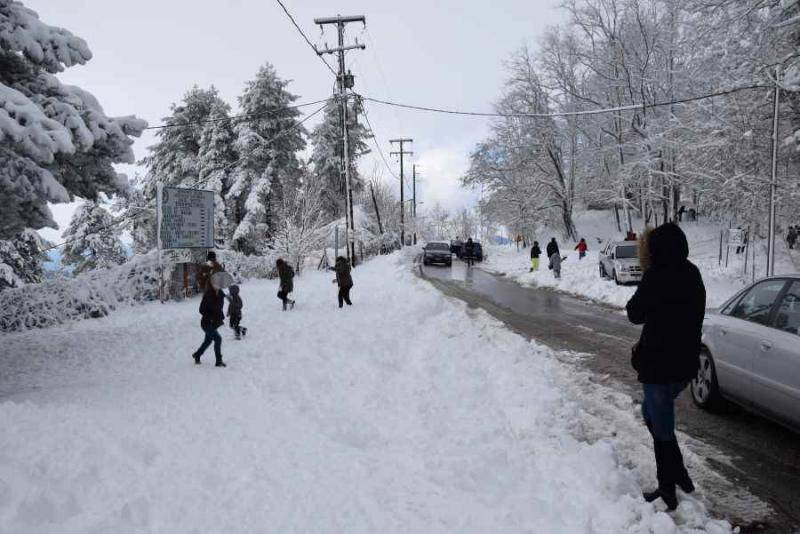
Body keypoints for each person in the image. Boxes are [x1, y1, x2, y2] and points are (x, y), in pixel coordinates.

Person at [626, 223, 705, 511]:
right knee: (651, 413)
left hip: (659, 366)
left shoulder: (656, 276)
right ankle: (680, 474)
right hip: (685, 365)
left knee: (662, 428)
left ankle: (667, 488)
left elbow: (634, 313)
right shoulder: (692, 272)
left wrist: (647, 283)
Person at [192, 275, 227, 367]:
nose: (218, 285)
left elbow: (219, 308)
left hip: (214, 323)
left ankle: (197, 355)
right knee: (218, 339)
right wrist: (210, 316)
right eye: (215, 283)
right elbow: (201, 310)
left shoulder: (221, 294)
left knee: (208, 341)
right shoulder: (208, 295)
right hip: (206, 323)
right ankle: (218, 361)